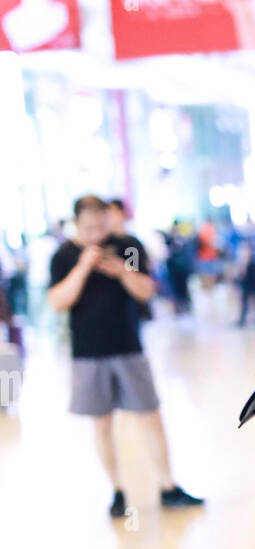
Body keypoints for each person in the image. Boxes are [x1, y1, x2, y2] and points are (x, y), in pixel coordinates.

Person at [47, 195, 204, 516]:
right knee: (102, 424)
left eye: (101, 225)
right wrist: (83, 267)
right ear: (77, 224)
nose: (97, 233)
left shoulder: (128, 245)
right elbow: (58, 301)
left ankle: (167, 486)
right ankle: (118, 491)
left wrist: (122, 271)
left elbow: (146, 290)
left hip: (129, 346)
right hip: (87, 354)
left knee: (151, 416)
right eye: (89, 228)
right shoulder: (63, 256)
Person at [106, 197, 155, 322]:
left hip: (131, 305)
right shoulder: (104, 243)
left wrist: (122, 270)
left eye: (112, 212)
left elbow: (135, 271)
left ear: (121, 213)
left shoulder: (131, 244)